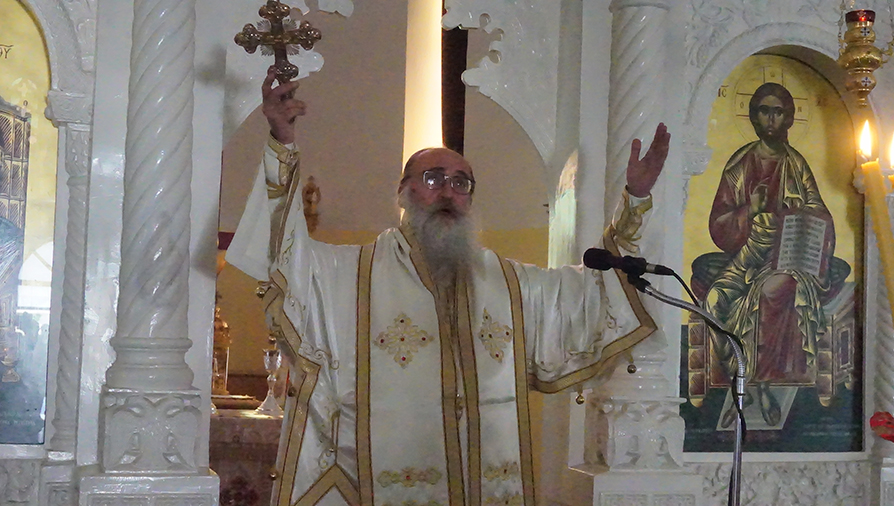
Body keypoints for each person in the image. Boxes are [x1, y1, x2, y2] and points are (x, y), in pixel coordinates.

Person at [227, 69, 670, 505]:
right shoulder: (352, 274)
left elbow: (588, 292)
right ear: (403, 192)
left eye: (461, 183)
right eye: (433, 178)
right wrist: (282, 143)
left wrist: (633, 202)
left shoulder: (508, 282)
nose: (448, 192)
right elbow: (284, 253)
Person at [694, 82, 847, 427]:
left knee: (768, 293)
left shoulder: (796, 164)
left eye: (778, 112)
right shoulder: (740, 165)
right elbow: (719, 224)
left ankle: (759, 387)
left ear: (789, 118)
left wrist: (797, 215)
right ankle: (739, 378)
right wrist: (750, 209)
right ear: (753, 116)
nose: (771, 119)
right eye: (764, 110)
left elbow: (821, 214)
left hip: (787, 256)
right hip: (748, 255)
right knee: (714, 300)